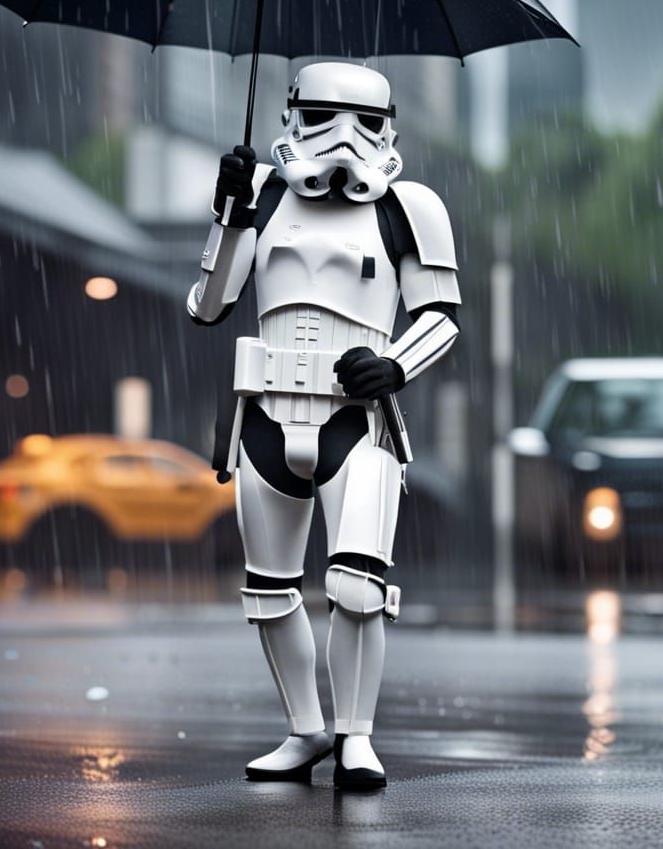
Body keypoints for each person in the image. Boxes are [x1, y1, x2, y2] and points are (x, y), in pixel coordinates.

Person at [187, 62, 461, 790]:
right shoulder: (263, 197)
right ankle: (306, 728)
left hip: (356, 419)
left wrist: (397, 363)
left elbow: (441, 314)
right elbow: (209, 305)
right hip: (267, 413)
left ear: (389, 127)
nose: (345, 138)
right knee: (270, 591)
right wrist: (228, 216)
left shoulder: (409, 207)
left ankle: (357, 735)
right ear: (293, 116)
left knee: (358, 585)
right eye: (324, 116)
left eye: (364, 121)